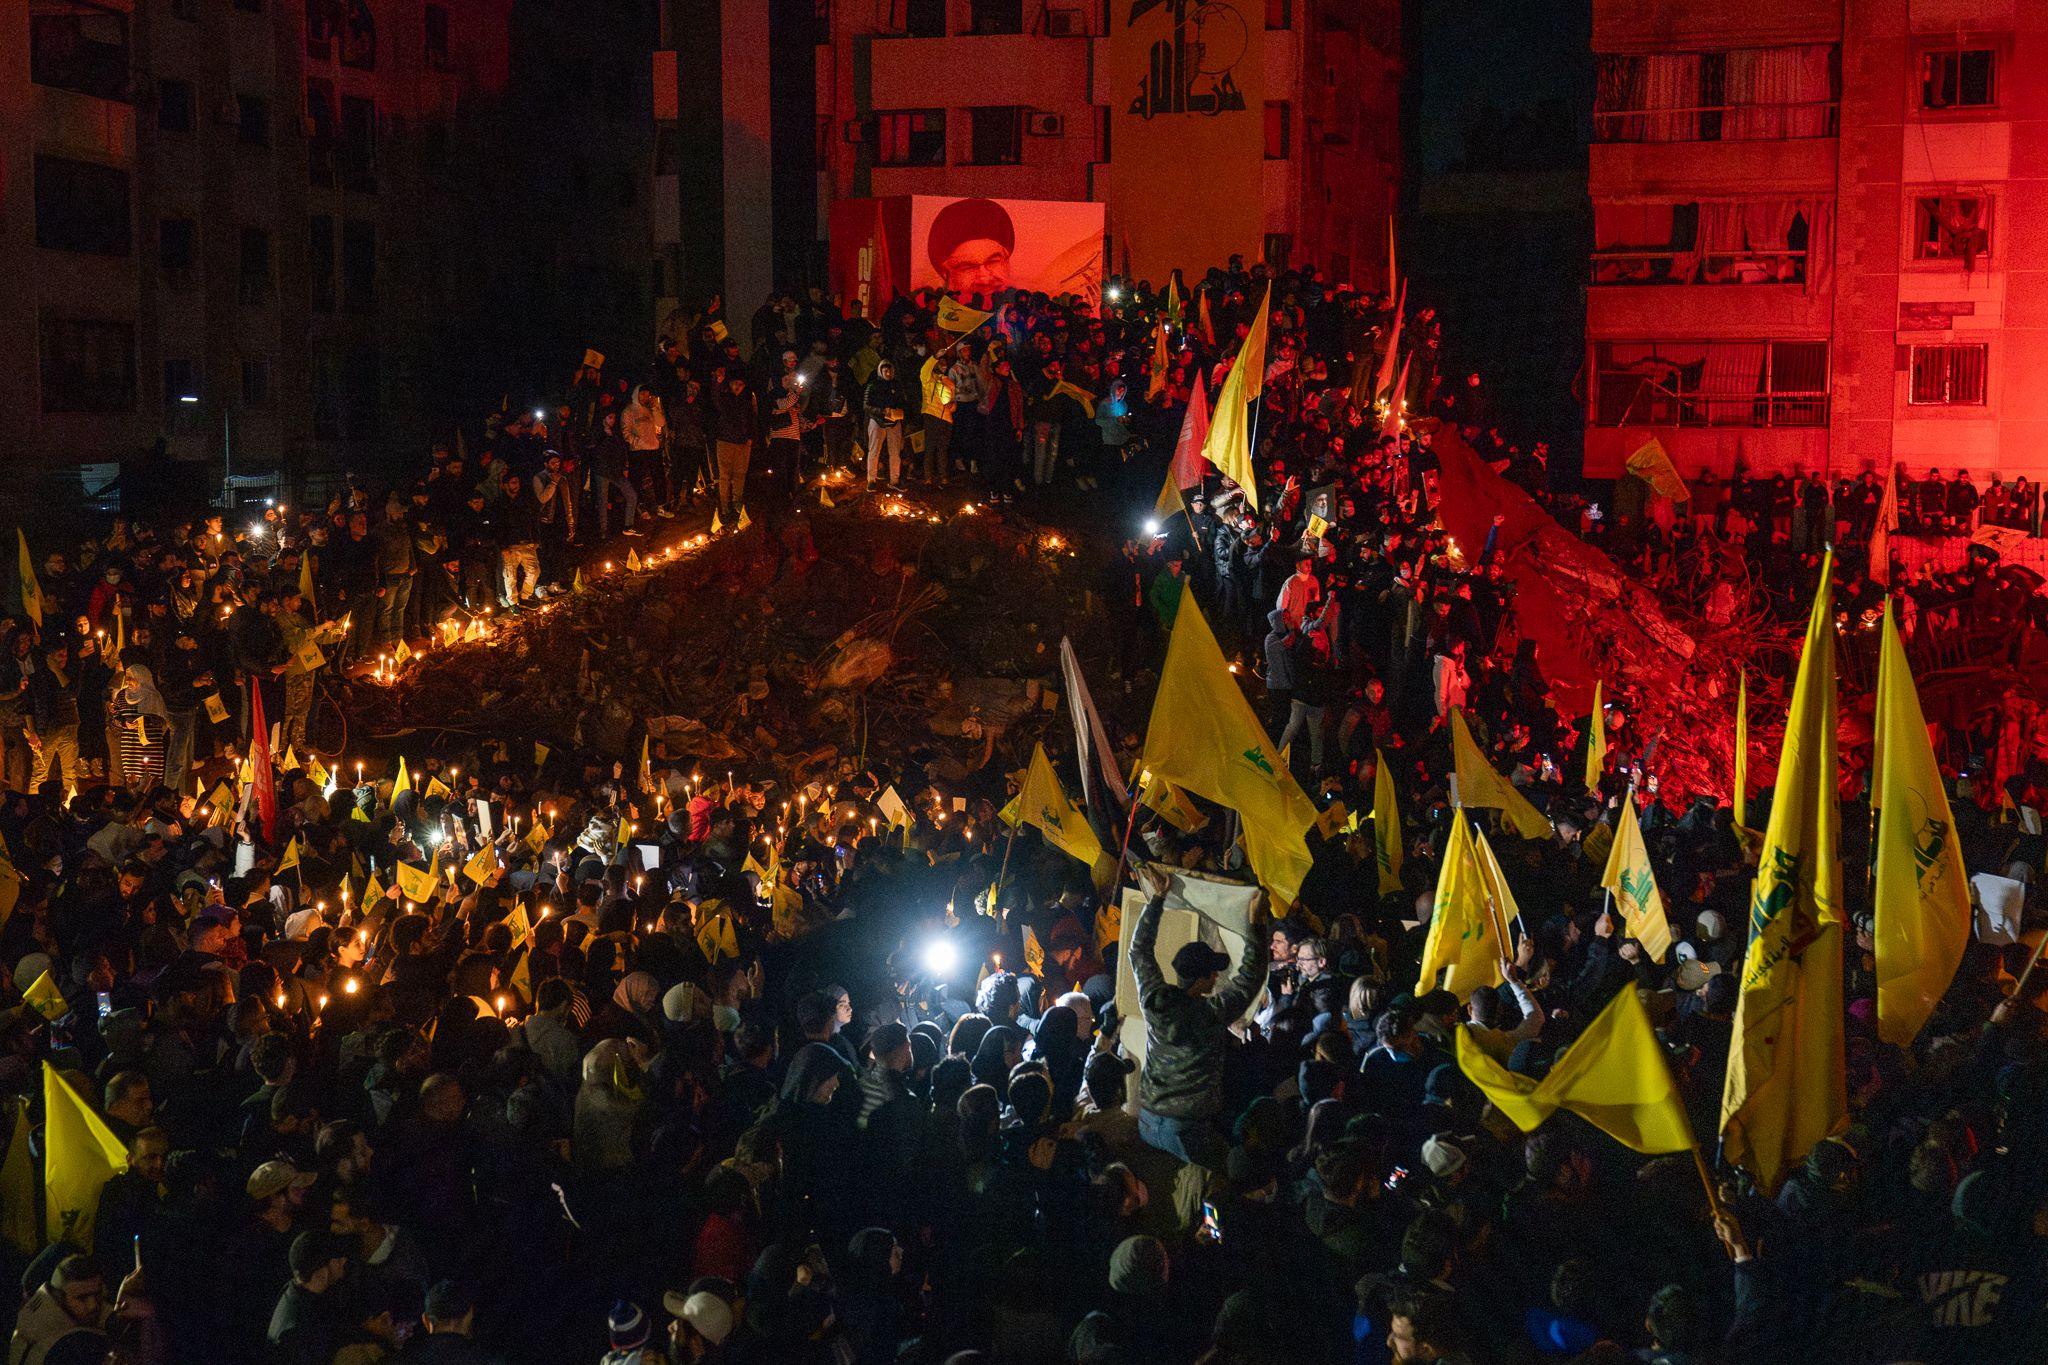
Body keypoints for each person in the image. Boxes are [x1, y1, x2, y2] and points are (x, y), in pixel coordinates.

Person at [1127, 864, 1269, 1171]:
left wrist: (1156, 901)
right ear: (1201, 979)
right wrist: (1255, 925)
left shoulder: (1153, 1000)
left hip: (1148, 1121)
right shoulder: (1210, 1014)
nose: (1218, 976)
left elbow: (1138, 952)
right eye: (1213, 971)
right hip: (1187, 1131)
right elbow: (1249, 978)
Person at [863, 359, 909, 490]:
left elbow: (903, 402)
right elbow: (866, 405)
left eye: (890, 371)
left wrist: (900, 411)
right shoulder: (873, 385)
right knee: (874, 452)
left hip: (894, 422)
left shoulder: (897, 385)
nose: (888, 374)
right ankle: (871, 480)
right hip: (877, 421)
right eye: (885, 371)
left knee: (895, 453)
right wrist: (882, 411)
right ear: (880, 371)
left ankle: (895, 480)